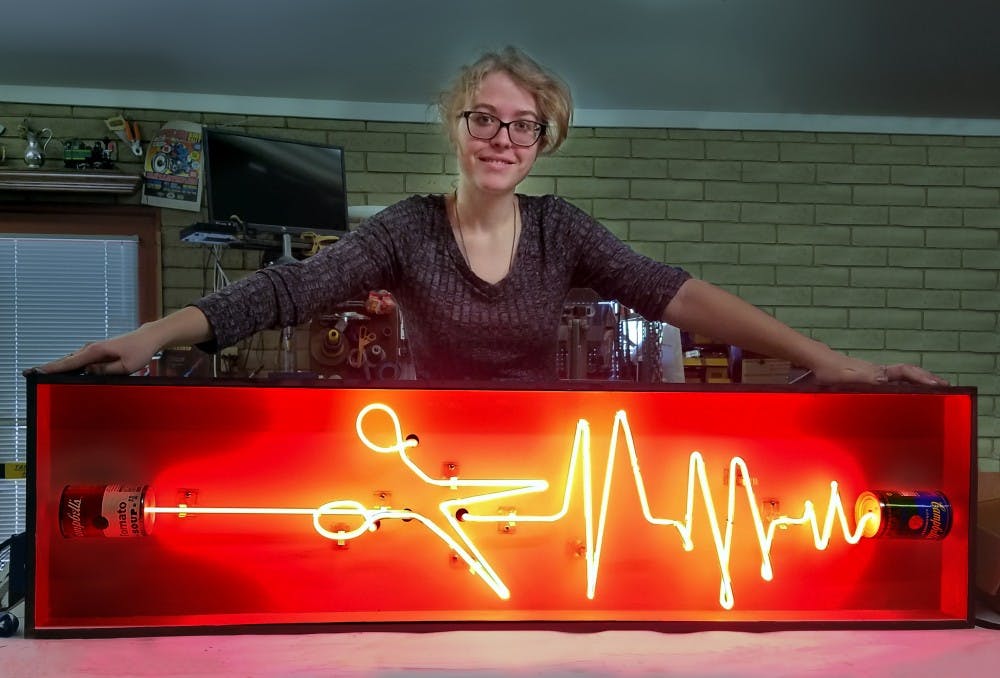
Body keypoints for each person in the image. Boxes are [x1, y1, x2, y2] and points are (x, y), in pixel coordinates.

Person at [29, 47, 946, 387]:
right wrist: (149, 335)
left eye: (523, 125)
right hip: (430, 457)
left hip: (546, 457)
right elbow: (284, 291)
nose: (503, 138)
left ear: (543, 141)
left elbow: (676, 294)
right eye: (484, 119)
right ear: (456, 127)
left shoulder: (563, 230)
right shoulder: (406, 229)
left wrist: (833, 361)